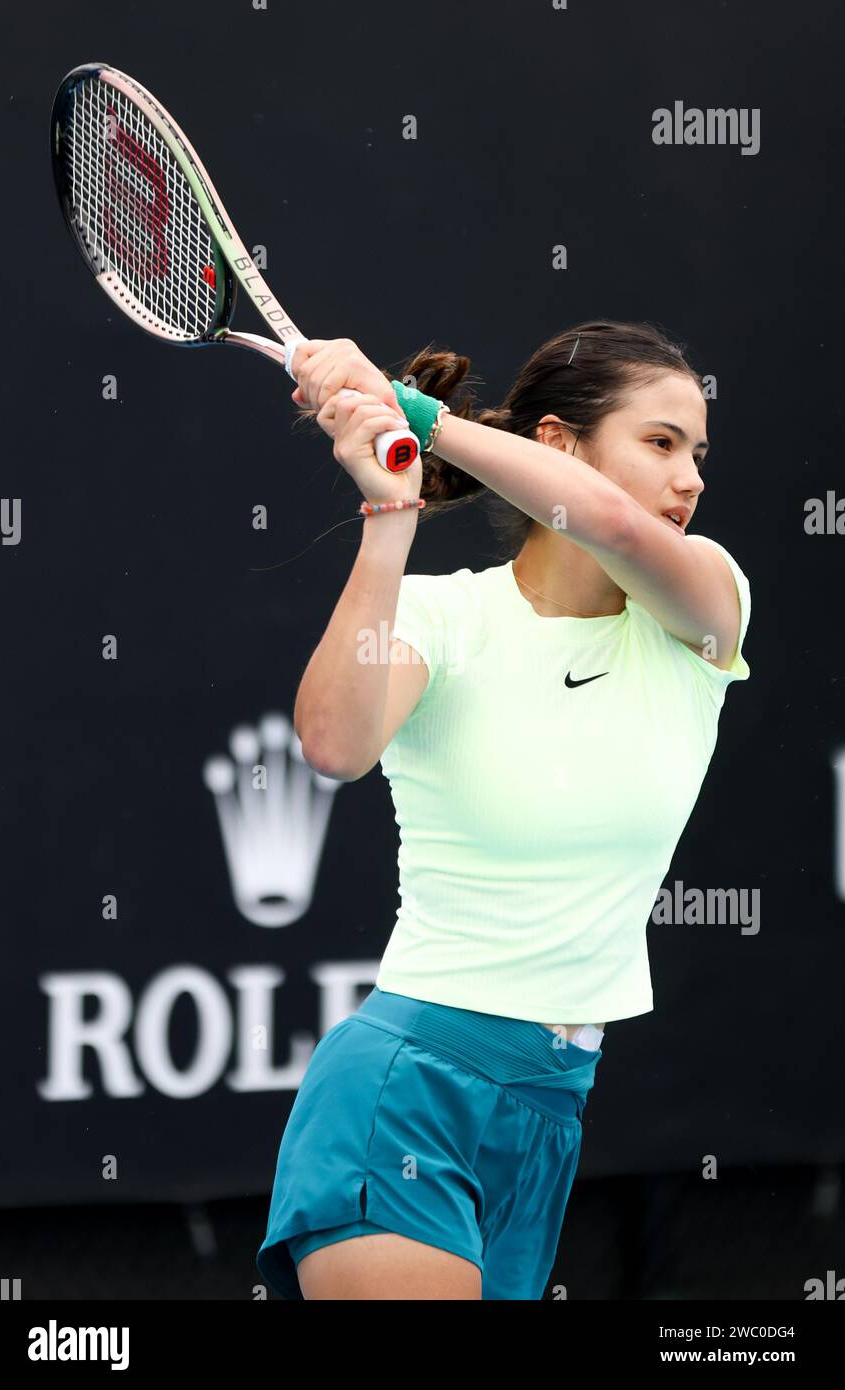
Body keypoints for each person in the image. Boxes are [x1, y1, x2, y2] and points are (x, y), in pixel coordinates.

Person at [255, 320, 751, 1300]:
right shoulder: (445, 616)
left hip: (548, 1112)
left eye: (697, 450)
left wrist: (421, 419)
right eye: (660, 442)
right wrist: (390, 516)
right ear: (558, 444)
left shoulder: (710, 606)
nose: (690, 475)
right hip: (402, 1094)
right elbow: (333, 747)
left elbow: (612, 526)